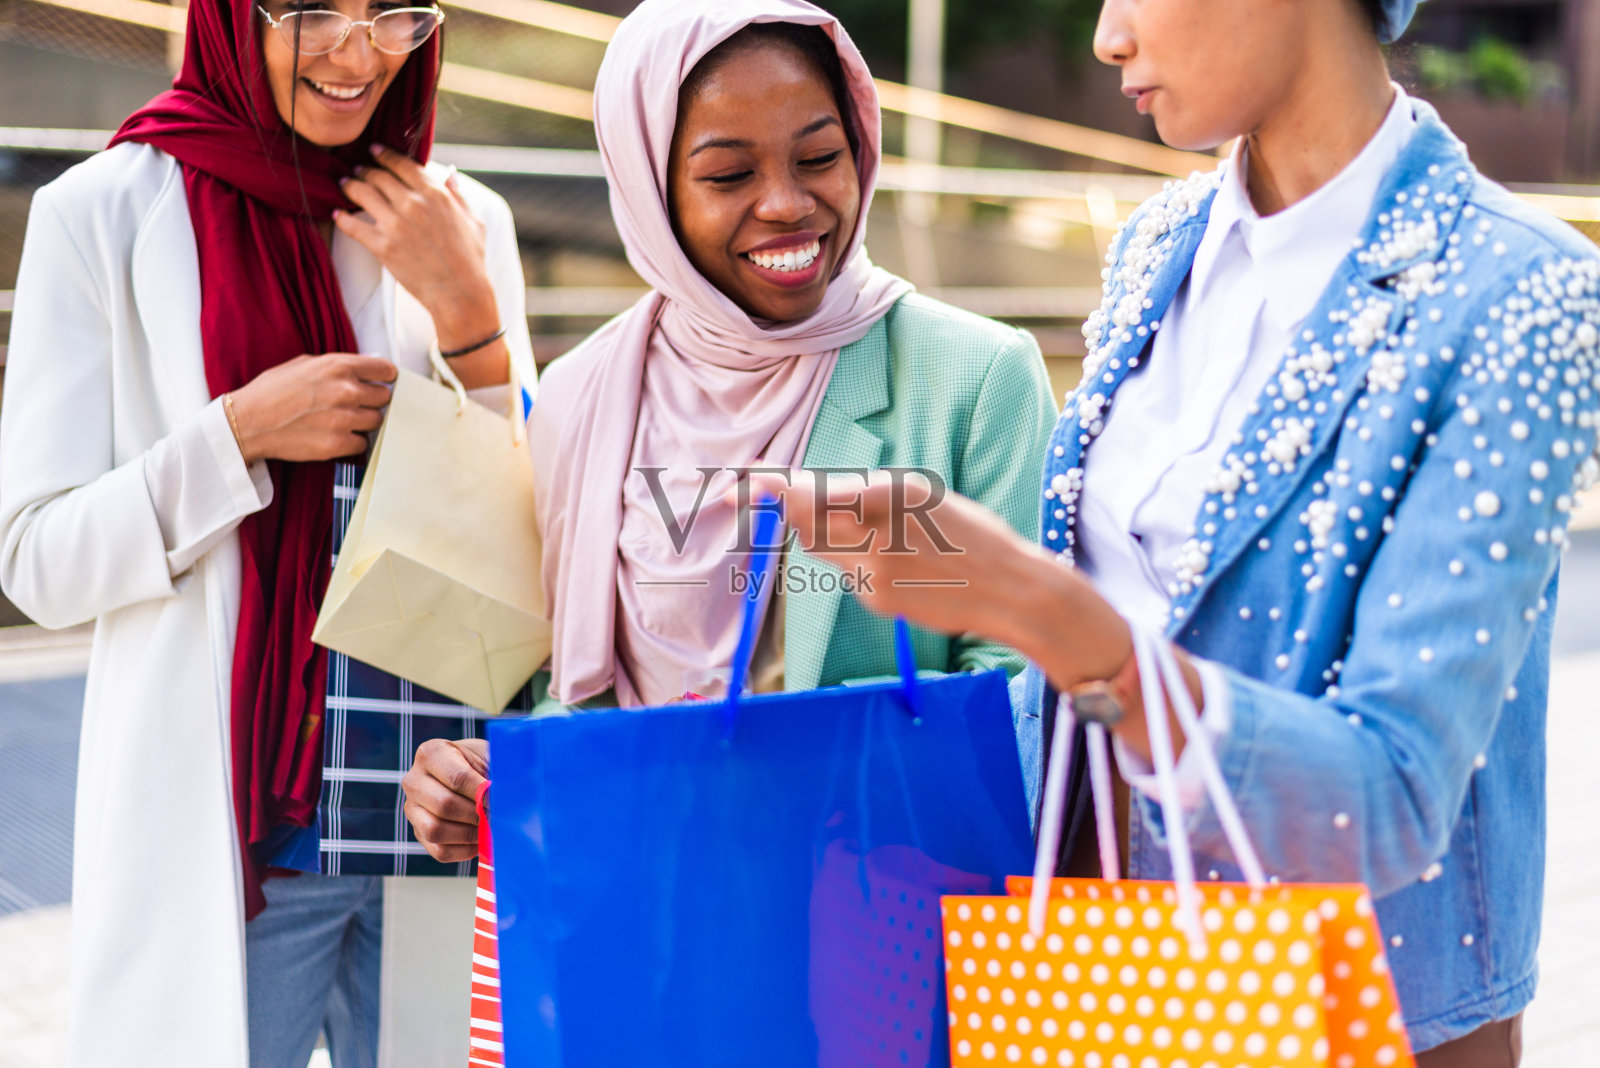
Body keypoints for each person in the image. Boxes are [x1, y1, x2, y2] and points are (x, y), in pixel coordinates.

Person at [758, 0, 1599, 1062]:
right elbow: (1079, 661)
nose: (1107, 38)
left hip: (1349, 1014)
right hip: (1097, 977)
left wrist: (1052, 617)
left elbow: (1391, 799)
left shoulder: (1520, 290)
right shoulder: (1162, 242)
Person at [0, 1, 534, 1064]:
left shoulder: (462, 220)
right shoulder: (104, 212)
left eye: (396, 15)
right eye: (310, 12)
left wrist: (475, 330)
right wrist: (237, 434)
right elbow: (36, 561)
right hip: (234, 841)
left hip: (433, 819)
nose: (358, 52)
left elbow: (537, 532)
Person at [400, 0, 1057, 865]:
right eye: (727, 175)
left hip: (888, 919)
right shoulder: (587, 398)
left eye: (819, 158)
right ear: (650, 188)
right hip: (652, 910)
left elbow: (1026, 696)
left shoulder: (973, 376)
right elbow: (581, 701)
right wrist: (494, 775)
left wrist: (768, 768)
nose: (787, 204)